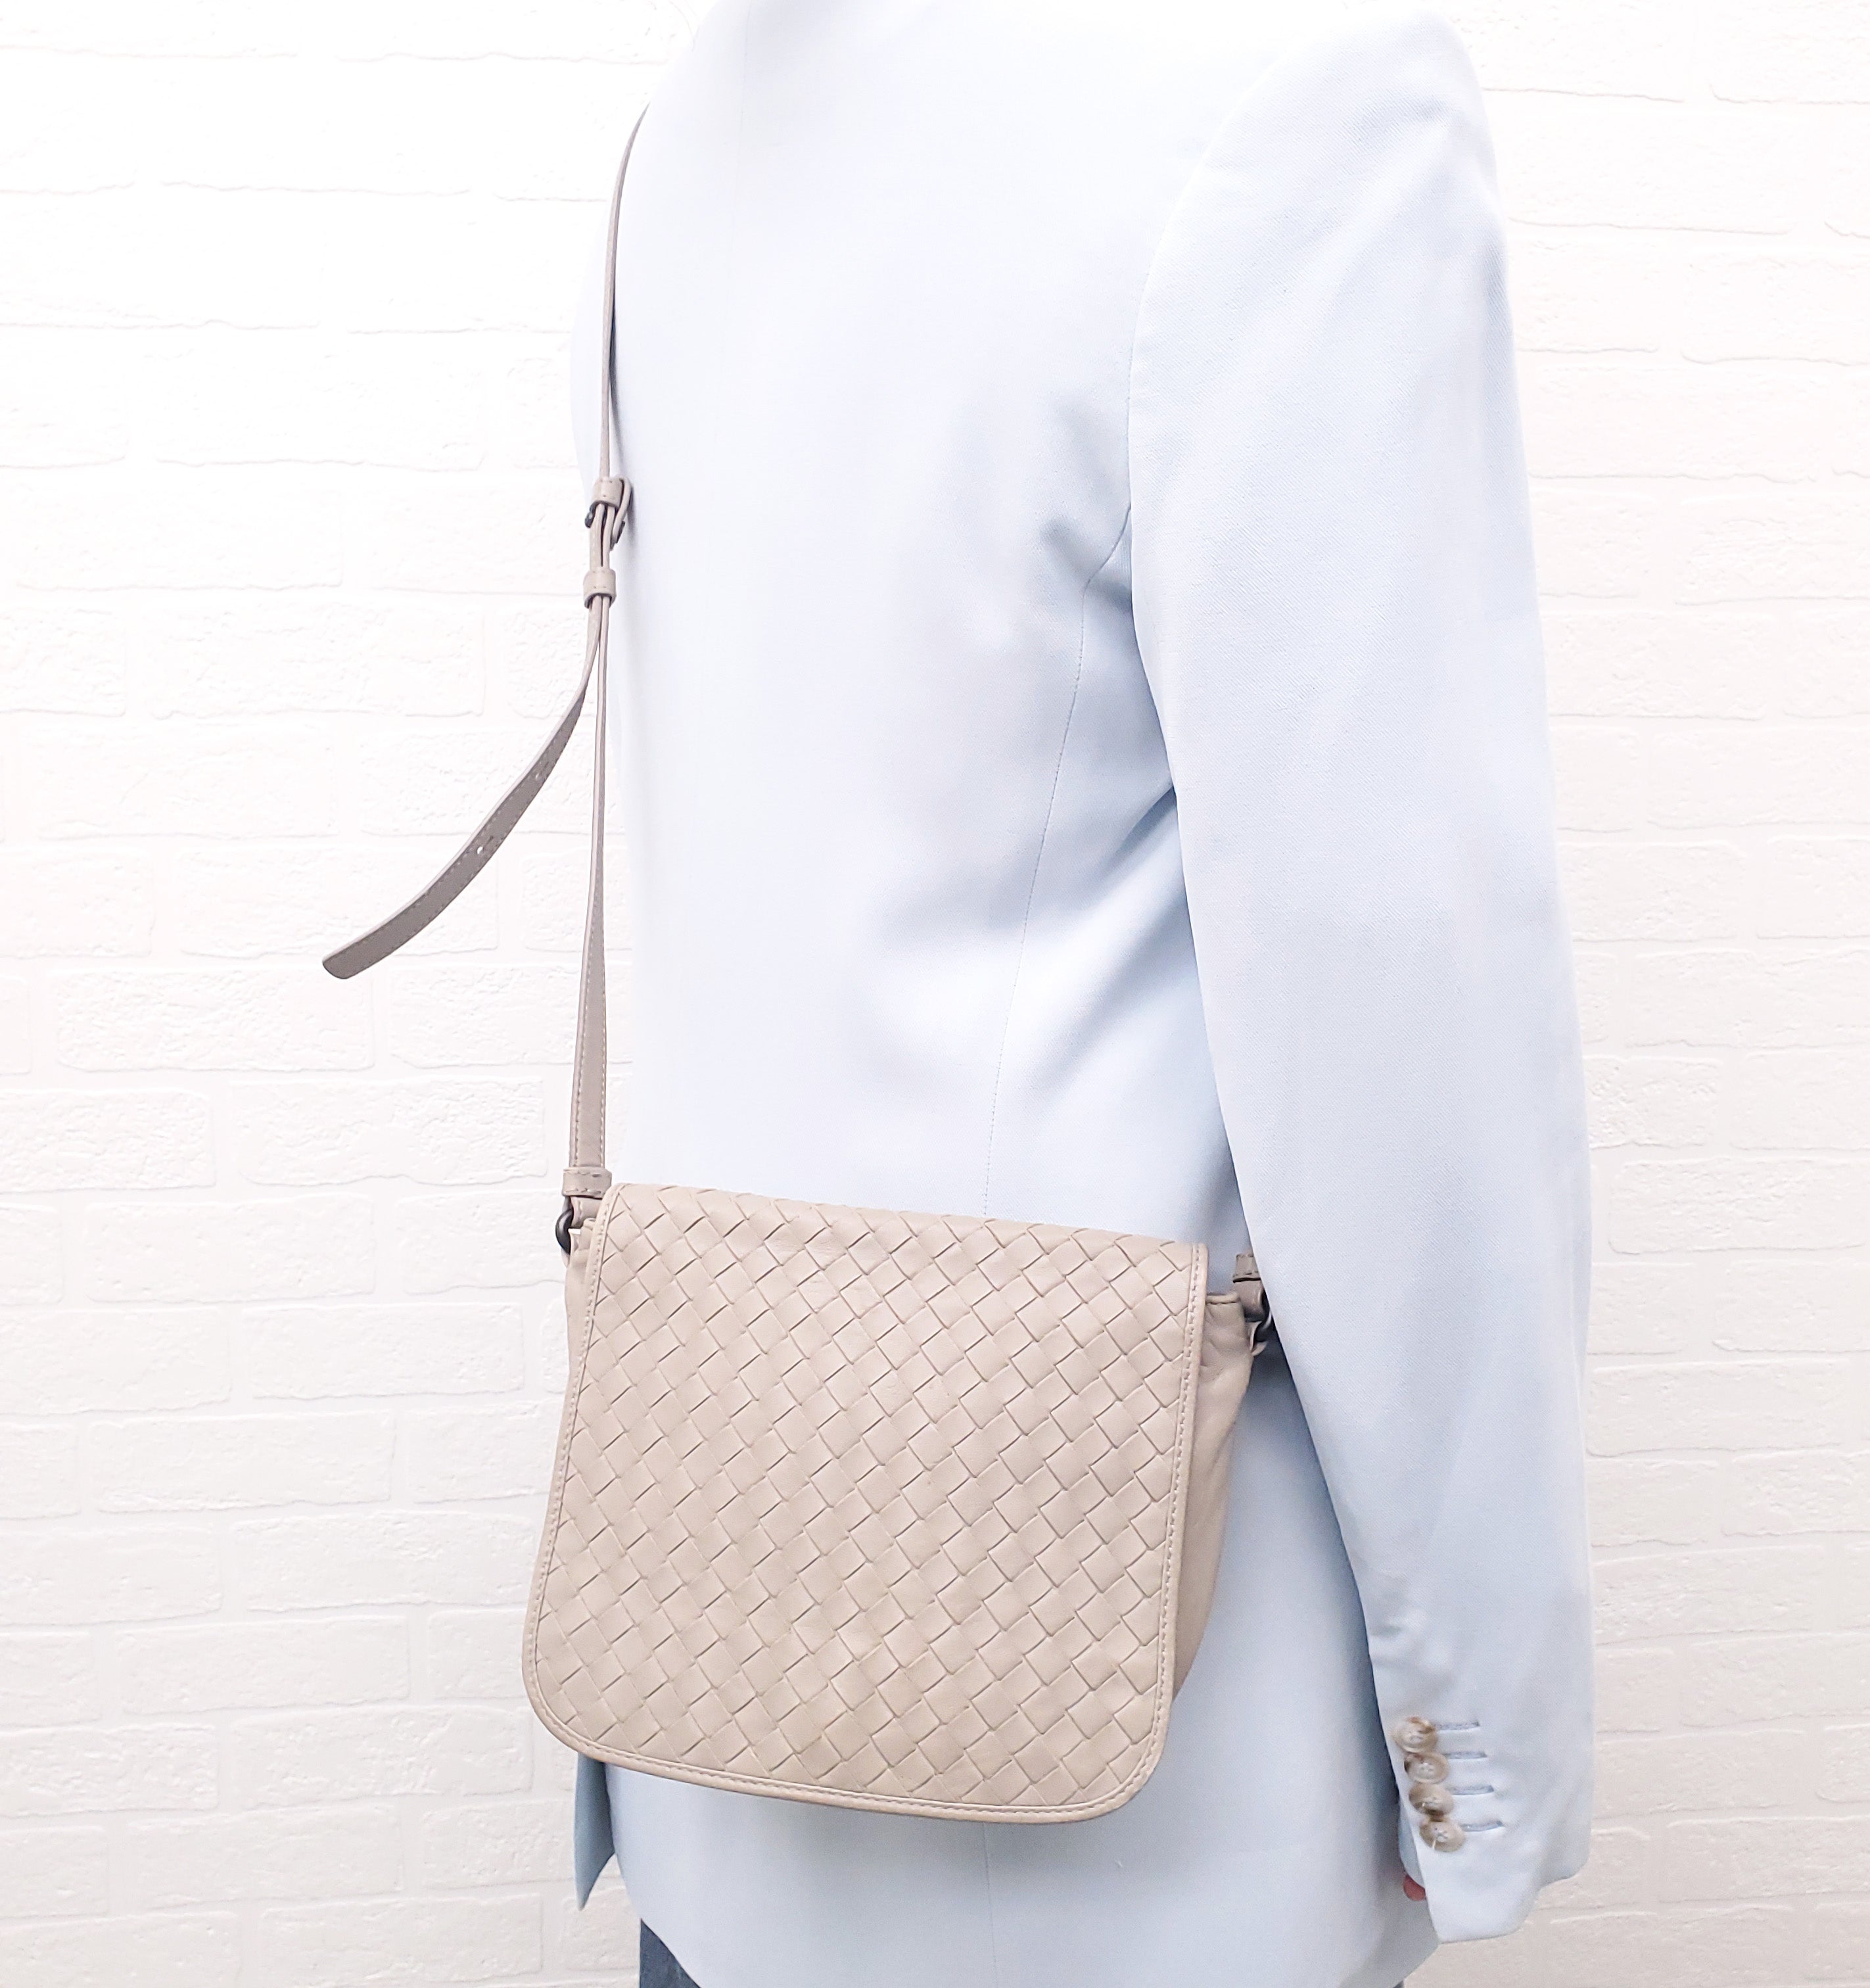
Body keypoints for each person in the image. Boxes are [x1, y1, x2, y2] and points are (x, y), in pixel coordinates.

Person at [571, 3, 1592, 1983]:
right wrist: (1478, 1744)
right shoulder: (1298, 89)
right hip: (1147, 1823)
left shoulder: (693, 118)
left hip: (710, 1725)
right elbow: (1403, 1021)